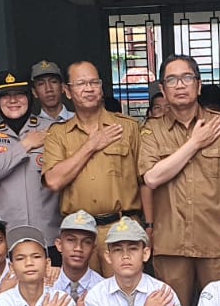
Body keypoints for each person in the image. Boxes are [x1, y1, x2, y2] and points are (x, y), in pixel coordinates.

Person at [139, 54, 220, 306]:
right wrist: (194, 143)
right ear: (163, 89)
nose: (180, 85)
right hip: (171, 243)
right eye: (172, 79)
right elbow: (152, 178)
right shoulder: (151, 130)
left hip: (217, 242)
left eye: (187, 78)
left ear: (199, 86)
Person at [42, 61, 146, 272]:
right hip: (79, 232)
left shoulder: (127, 127)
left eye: (93, 83)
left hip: (121, 227)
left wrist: (150, 226)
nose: (89, 89)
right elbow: (53, 181)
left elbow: (145, 181)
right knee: (82, 298)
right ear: (68, 91)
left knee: (123, 296)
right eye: (81, 83)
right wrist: (91, 145)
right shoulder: (58, 135)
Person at [0, 70, 59, 245]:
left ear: (29, 96)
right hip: (8, 236)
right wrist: (25, 144)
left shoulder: (52, 129)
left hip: (50, 235)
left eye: (19, 94)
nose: (13, 101)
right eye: (5, 95)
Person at [50, 210, 106, 306]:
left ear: (94, 249)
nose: (78, 248)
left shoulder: (102, 289)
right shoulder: (47, 285)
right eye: (71, 240)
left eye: (86, 242)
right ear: (59, 245)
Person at [30, 60, 74, 125]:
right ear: (34, 92)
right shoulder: (31, 125)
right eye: (41, 84)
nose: (48, 89)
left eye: (53, 81)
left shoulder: (78, 119)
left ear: (62, 87)